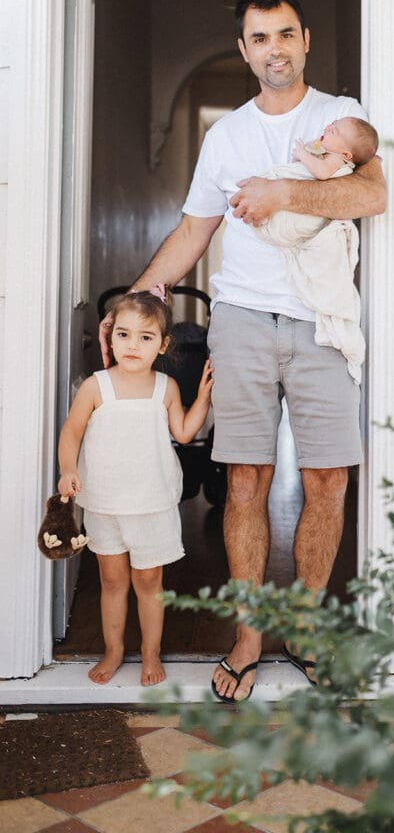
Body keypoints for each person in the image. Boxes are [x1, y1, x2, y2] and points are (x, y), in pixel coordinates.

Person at [100, 0, 386, 703]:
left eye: (285, 34)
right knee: (247, 480)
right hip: (243, 319)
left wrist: (283, 192)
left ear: (304, 41)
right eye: (260, 38)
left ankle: (310, 627)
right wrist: (135, 300)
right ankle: (251, 634)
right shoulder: (225, 135)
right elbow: (196, 230)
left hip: (322, 323)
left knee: (327, 480)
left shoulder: (339, 118)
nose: (274, 49)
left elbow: (370, 195)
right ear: (244, 49)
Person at [60, 290, 214, 686]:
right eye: (124, 335)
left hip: (153, 506)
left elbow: (182, 432)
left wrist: (204, 396)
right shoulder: (96, 387)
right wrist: (66, 470)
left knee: (149, 584)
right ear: (109, 338)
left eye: (145, 337)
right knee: (112, 583)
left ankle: (149, 653)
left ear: (162, 345)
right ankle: (113, 650)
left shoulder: (166, 388)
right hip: (105, 504)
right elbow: (72, 432)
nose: (133, 345)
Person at [255, 116, 379, 383]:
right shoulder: (329, 153)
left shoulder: (337, 161)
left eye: (334, 131)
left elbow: (321, 174)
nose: (328, 128)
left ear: (347, 154)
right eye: (330, 125)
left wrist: (303, 153)